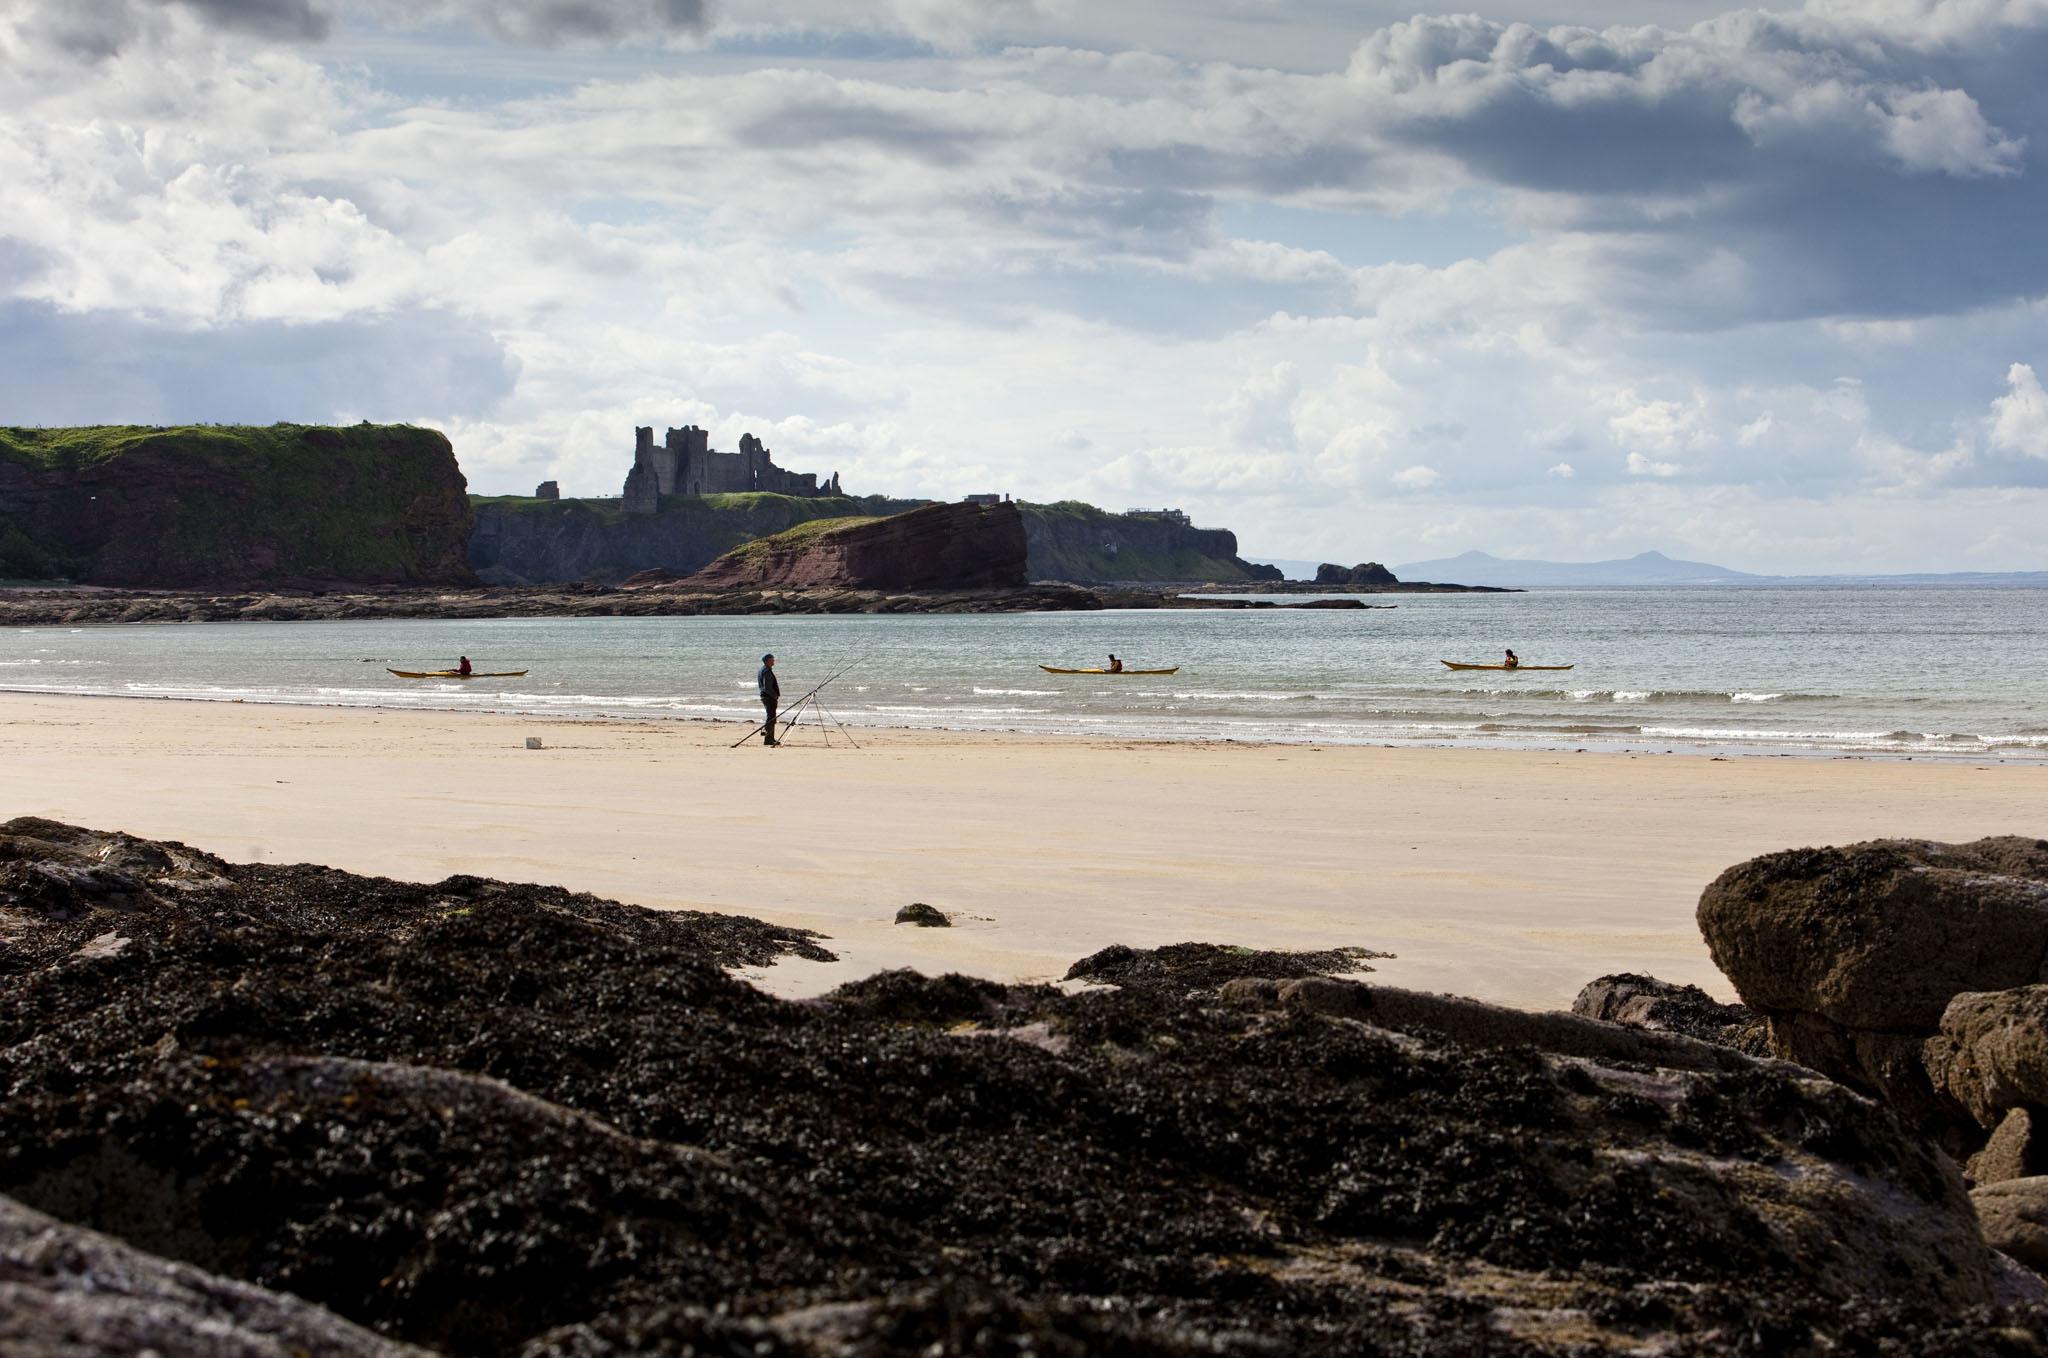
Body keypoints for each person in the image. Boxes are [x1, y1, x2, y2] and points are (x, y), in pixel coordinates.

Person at [757, 653, 780, 746]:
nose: (773, 662)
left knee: (771, 717)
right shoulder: (766, 671)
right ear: (767, 661)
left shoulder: (763, 669)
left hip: (766, 696)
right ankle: (768, 739)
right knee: (771, 718)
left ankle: (770, 738)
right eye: (772, 660)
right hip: (768, 697)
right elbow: (767, 687)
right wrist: (774, 695)